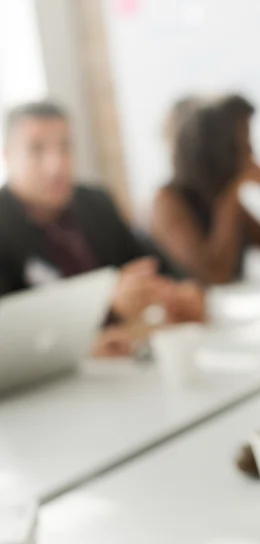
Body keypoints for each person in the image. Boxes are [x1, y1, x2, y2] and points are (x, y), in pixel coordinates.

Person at [0, 101, 205, 356]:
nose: (56, 165)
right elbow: (11, 328)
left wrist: (182, 290)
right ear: (8, 156)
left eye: (66, 147)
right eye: (36, 150)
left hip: (127, 365)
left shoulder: (95, 202)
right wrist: (103, 308)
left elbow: (154, 262)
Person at [151, 94, 260, 285]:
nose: (251, 154)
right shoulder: (167, 200)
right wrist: (231, 195)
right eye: (244, 146)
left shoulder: (228, 199)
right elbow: (215, 275)